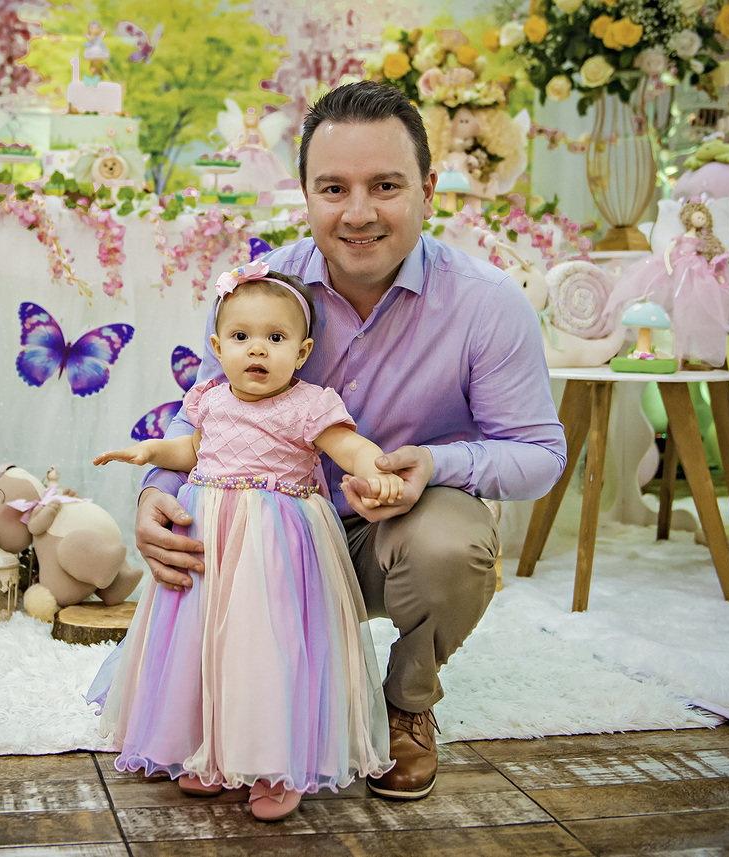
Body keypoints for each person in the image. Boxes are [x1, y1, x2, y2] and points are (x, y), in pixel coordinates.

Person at [133, 80, 567, 801]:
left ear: (428, 190)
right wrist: (156, 491)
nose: (358, 213)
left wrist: (436, 463)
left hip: (384, 538)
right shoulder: (260, 292)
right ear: (305, 195)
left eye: (386, 186)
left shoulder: (488, 304)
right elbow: (202, 411)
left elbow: (540, 456)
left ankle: (406, 703)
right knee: (204, 523)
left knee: (453, 544)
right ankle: (224, 716)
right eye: (334, 188)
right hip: (263, 538)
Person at [89, 263, 400, 821]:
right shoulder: (210, 398)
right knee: (201, 642)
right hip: (208, 536)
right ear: (218, 347)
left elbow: (349, 448)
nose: (257, 350)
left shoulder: (309, 404)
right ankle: (206, 748)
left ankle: (275, 761)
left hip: (276, 542)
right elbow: (192, 451)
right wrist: (150, 452)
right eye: (240, 337)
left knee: (267, 645)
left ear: (302, 353)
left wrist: (377, 469)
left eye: (275, 338)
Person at [606, 198, 729, 367]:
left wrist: (716, 272)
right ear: (689, 217)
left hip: (697, 270)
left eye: (703, 217)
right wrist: (668, 266)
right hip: (679, 266)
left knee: (694, 308)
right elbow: (668, 251)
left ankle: (686, 355)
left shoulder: (702, 240)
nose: (700, 219)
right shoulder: (681, 238)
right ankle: (675, 354)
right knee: (675, 308)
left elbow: (710, 255)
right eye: (698, 216)